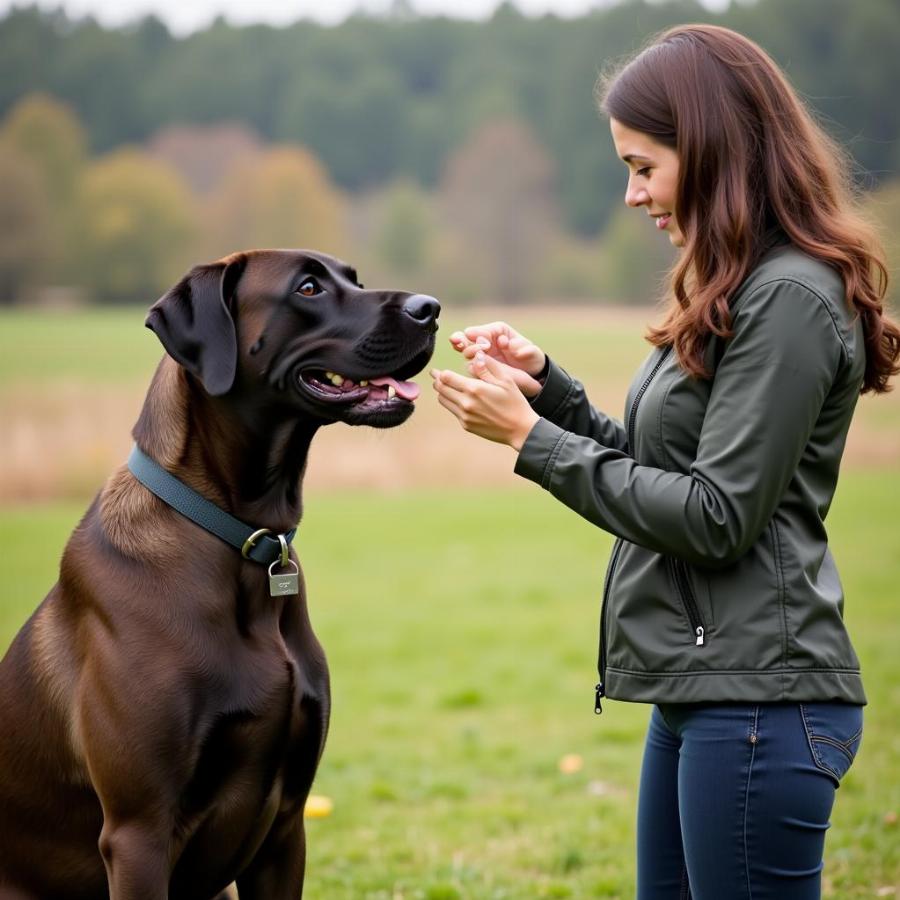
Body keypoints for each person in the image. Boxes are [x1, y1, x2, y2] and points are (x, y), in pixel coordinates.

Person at [430, 23, 900, 900]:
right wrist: (549, 392)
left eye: (644, 166)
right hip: (708, 692)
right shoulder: (738, 286)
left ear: (715, 151)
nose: (630, 194)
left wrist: (531, 443)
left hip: (763, 701)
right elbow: (667, 468)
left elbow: (715, 518)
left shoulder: (790, 298)